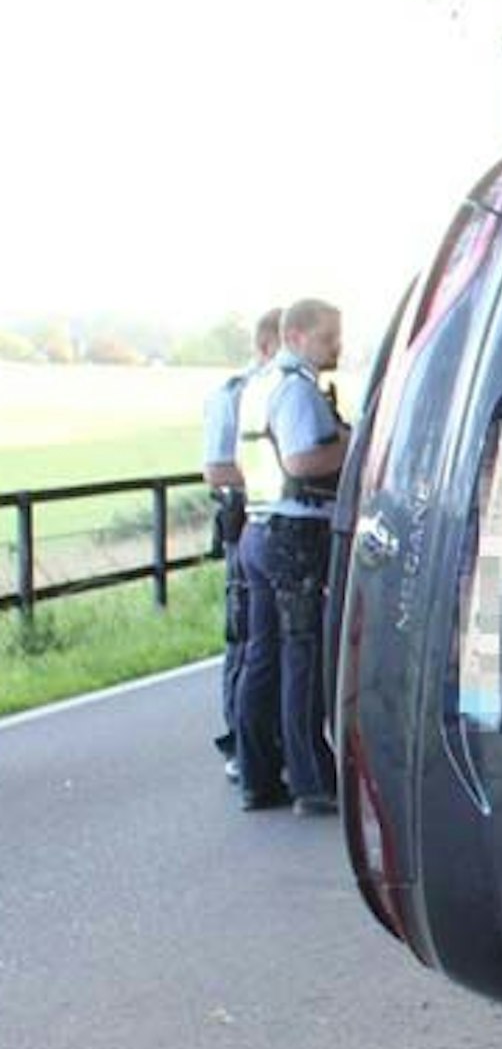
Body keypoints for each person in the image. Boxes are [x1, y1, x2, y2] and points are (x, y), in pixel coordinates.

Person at [233, 298, 349, 816]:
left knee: (262, 655)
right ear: (298, 336)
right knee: (302, 656)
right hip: (295, 531)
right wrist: (356, 444)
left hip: (257, 527)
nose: (337, 347)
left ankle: (257, 773)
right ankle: (311, 779)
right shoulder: (298, 389)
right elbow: (302, 459)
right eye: (328, 338)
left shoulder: (258, 385)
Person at [200, 308, 282, 781]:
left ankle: (266, 741)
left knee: (267, 639)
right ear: (270, 345)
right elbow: (215, 467)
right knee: (245, 634)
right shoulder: (234, 395)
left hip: (268, 520)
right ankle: (238, 740)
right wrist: (277, 470)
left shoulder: (276, 390)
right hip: (246, 519)